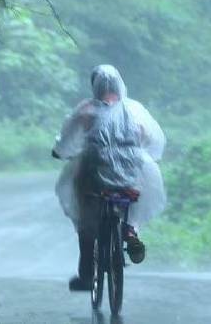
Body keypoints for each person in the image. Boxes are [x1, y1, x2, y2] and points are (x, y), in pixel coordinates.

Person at [52, 65, 166, 291]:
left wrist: (59, 151)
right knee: (139, 186)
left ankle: (86, 275)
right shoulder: (135, 110)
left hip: (94, 174)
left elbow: (67, 142)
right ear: (120, 85)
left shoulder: (85, 110)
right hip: (131, 173)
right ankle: (130, 231)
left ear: (94, 86)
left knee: (85, 222)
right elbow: (155, 142)